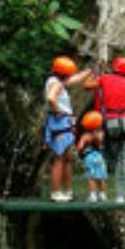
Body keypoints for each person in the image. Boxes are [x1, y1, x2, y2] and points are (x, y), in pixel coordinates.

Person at [83, 56, 125, 201]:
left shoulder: (104, 79)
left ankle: (122, 191)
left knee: (116, 157)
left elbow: (87, 85)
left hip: (111, 121)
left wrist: (94, 74)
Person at [42, 55, 91, 202]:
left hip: (65, 122)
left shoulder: (56, 81)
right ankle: (56, 192)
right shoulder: (56, 84)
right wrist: (58, 111)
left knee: (67, 158)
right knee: (59, 158)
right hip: (60, 122)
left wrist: (90, 71)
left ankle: (67, 191)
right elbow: (51, 98)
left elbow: (74, 80)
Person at [76, 112, 107, 202]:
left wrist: (80, 150)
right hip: (100, 157)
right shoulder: (101, 134)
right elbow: (100, 142)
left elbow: (80, 147)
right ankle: (102, 194)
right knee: (100, 176)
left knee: (91, 177)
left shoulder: (85, 136)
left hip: (89, 157)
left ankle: (93, 194)